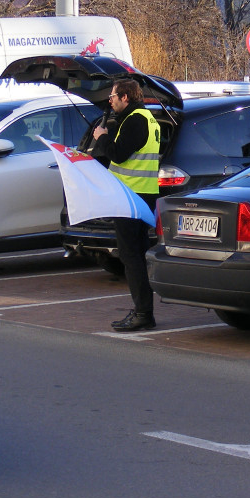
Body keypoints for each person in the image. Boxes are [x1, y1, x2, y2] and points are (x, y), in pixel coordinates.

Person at [91, 78, 160, 332]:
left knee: (131, 257)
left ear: (125, 97)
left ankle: (143, 313)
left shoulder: (136, 120)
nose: (110, 101)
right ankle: (143, 311)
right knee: (136, 255)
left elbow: (119, 154)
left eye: (113, 97)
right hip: (141, 194)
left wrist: (102, 138)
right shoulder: (147, 118)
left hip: (131, 197)